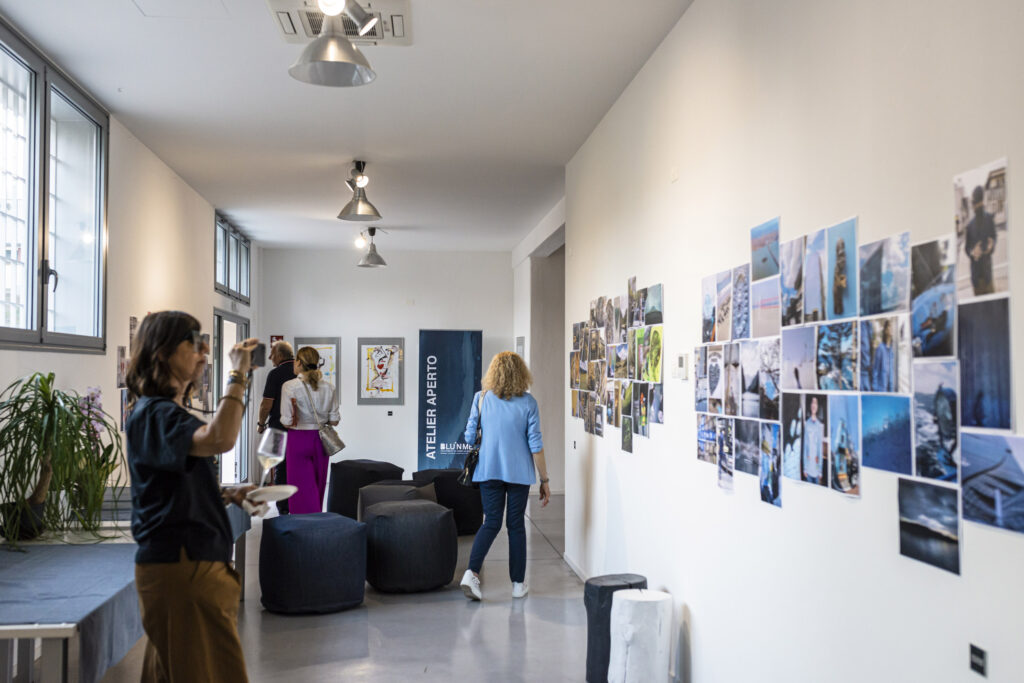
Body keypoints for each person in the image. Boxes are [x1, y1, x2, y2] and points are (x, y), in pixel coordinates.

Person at [125, 311, 260, 683]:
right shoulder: (156, 414)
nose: (203, 352)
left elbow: (168, 484)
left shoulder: (160, 414)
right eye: (193, 342)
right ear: (162, 351)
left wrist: (224, 493)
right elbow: (220, 439)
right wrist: (238, 375)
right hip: (183, 570)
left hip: (185, 569)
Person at [460, 352, 550, 601]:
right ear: (522, 374)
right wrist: (545, 480)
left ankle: (471, 573)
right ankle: (518, 585)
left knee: (491, 522)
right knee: (515, 525)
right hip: (519, 474)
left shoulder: (481, 398)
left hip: (488, 470)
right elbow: (536, 446)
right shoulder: (529, 403)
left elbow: (469, 437)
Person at [280, 346, 339, 514]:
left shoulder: (289, 386)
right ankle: (316, 519)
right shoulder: (329, 387)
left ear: (299, 363)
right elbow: (334, 421)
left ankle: (301, 521)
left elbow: (287, 421)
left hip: (298, 439)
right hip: (321, 440)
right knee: (318, 484)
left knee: (299, 486)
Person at [257, 341, 295, 511]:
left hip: (279, 427)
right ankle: (298, 505)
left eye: (271, 354)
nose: (269, 357)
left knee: (281, 467)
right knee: (298, 467)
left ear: (279, 355)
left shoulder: (275, 374)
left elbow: (266, 404)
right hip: (301, 428)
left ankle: (283, 508)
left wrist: (260, 424)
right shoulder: (302, 371)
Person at [964, 185, 997, 295]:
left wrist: (992, 246)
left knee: (992, 301)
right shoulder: (970, 226)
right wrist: (972, 252)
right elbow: (966, 248)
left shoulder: (989, 219)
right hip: (976, 278)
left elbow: (994, 237)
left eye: (977, 203)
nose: (975, 206)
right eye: (974, 203)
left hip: (988, 275)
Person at [803, 396, 824, 485]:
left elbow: (820, 448)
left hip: (816, 469)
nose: (814, 405)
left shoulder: (819, 425)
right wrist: (805, 468)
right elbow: (805, 446)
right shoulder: (807, 424)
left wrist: (820, 470)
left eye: (815, 403)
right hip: (808, 469)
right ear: (810, 405)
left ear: (817, 406)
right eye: (812, 402)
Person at [870, 321, 894, 392]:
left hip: (890, 388)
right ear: (886, 330)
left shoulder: (891, 350)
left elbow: (891, 370)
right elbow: (875, 370)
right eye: (890, 326)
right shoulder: (880, 348)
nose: (892, 328)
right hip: (881, 389)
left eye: (892, 326)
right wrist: (875, 388)